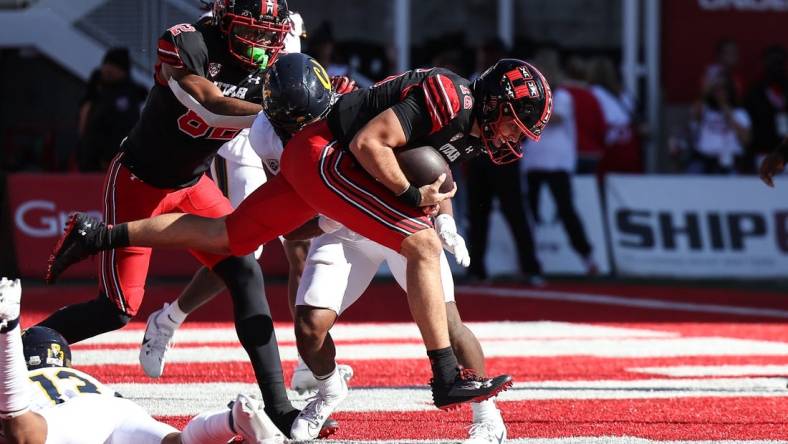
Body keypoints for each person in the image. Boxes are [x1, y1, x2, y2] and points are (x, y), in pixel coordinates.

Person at [46, 58, 552, 420]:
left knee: (232, 236)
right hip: (329, 156)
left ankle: (98, 233)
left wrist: (437, 208)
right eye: (515, 123)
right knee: (419, 246)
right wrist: (410, 193)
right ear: (495, 101)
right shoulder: (448, 95)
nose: (513, 137)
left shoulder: (465, 123)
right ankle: (446, 374)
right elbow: (370, 142)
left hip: (319, 163)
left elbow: (401, 165)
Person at [39, 0, 336, 437]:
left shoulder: (273, 67)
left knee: (244, 271)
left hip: (193, 186)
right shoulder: (189, 42)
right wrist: (274, 108)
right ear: (225, 22)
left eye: (268, 35)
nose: (260, 46)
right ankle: (29, 342)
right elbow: (210, 104)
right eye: (250, 32)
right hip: (139, 180)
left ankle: (279, 408)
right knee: (117, 309)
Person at [206, 53, 504, 442]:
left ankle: (488, 416)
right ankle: (329, 389)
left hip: (399, 224)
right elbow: (291, 228)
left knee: (449, 323)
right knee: (309, 329)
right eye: (296, 122)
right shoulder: (267, 138)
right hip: (345, 231)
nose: (307, 127)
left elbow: (429, 163)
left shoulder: (359, 108)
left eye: (315, 116)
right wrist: (329, 218)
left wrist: (443, 214)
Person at [136, 4, 349, 396]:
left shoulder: (286, 24)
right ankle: (169, 319)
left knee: (299, 244)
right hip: (237, 139)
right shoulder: (205, 36)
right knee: (246, 247)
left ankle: (307, 358)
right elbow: (214, 94)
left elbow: (298, 85)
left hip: (277, 131)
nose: (263, 38)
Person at [0, 278, 285, 444]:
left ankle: (8, 326)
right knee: (179, 442)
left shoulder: (25, 380)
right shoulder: (82, 378)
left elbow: (16, 420)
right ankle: (231, 420)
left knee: (20, 431)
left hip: (67, 416)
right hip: (116, 408)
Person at [466, 38, 543, 284]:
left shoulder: (512, 83)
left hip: (505, 156)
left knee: (515, 211)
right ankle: (475, 268)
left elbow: (526, 120)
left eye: (489, 53)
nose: (483, 58)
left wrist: (513, 143)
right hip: (478, 156)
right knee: (477, 214)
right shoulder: (474, 79)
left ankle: (531, 267)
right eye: (482, 53)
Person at [523, 48, 597, 275]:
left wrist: (525, 109)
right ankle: (529, 261)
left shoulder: (562, 96)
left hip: (557, 161)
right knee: (529, 213)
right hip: (533, 161)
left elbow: (553, 119)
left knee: (566, 210)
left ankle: (587, 258)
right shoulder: (531, 97)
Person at [77, 48, 148, 172]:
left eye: (114, 66)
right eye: (106, 65)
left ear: (123, 71)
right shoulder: (97, 91)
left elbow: (124, 129)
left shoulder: (127, 96)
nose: (108, 69)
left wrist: (110, 156)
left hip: (111, 163)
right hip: (90, 160)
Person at [746, 45, 788, 172]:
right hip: (763, 152)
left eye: (779, 62)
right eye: (772, 62)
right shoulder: (755, 92)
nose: (776, 66)